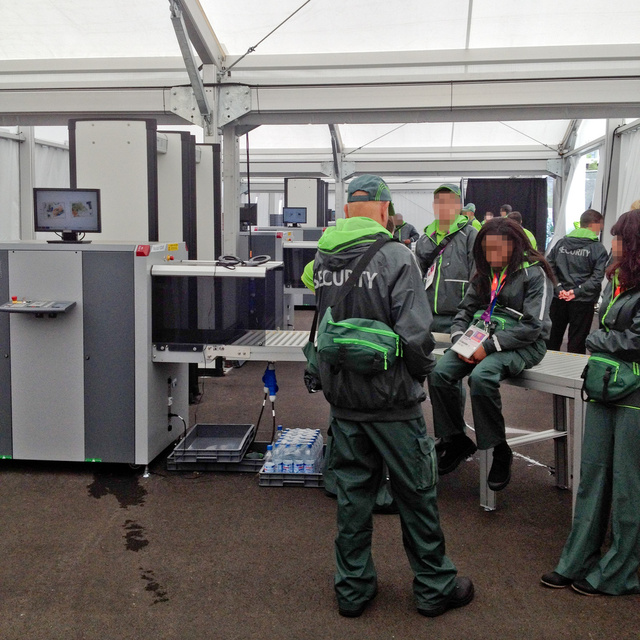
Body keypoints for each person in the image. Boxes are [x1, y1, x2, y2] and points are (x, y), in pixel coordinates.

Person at [301, 174, 473, 618]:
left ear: (346, 211)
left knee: (353, 498)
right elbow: (417, 336)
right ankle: (434, 586)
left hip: (344, 403)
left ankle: (353, 590)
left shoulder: (322, 259)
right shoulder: (397, 255)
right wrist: (424, 376)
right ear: (384, 209)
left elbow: (323, 321)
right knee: (416, 494)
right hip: (393, 406)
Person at [541, 209, 640, 596]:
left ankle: (619, 572)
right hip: (604, 388)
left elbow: (631, 341)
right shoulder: (621, 282)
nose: (611, 245)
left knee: (628, 487)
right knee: (594, 477)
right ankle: (578, 558)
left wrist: (598, 342)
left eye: (618, 239)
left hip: (632, 396)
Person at [429, 218, 554, 490]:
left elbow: (534, 326)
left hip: (524, 343)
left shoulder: (536, 275)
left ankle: (500, 449)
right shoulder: (485, 274)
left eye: (499, 249)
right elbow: (463, 311)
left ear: (516, 245)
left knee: (482, 377)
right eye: (487, 249)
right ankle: (456, 440)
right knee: (439, 373)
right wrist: (460, 340)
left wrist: (488, 347)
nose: (492, 256)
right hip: (480, 336)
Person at [415, 183, 478, 333]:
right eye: (440, 202)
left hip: (460, 319)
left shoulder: (471, 235)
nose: (444, 207)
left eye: (450, 202)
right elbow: (416, 279)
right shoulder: (424, 240)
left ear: (459, 206)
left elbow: (477, 278)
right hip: (427, 318)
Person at [545, 209, 607, 354]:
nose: (601, 230)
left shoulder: (561, 243)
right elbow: (597, 278)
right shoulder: (598, 249)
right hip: (583, 301)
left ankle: (546, 372)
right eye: (601, 225)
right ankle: (573, 374)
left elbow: (549, 268)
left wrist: (559, 288)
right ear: (595, 224)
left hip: (559, 298)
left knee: (552, 338)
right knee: (577, 341)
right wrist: (577, 291)